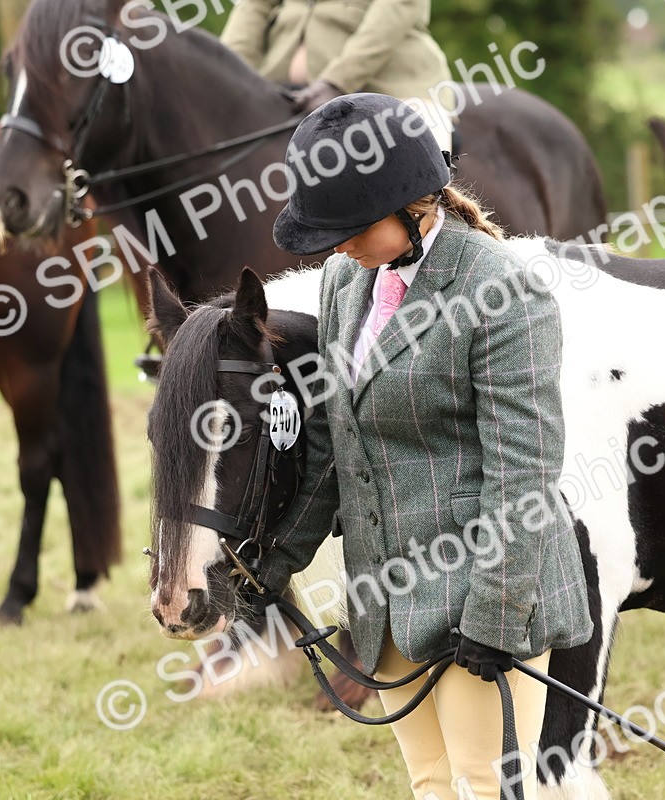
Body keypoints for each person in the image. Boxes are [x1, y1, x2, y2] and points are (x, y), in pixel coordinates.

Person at [262, 94, 592, 800]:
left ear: (413, 205)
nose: (333, 244)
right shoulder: (346, 281)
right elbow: (332, 445)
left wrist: (496, 617)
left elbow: (524, 476)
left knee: (486, 787)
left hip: (485, 592)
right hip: (386, 599)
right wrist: (273, 563)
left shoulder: (502, 292)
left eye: (347, 226)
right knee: (431, 786)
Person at [220, 0, 457, 151]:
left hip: (393, 85)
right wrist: (228, 75)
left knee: (423, 163)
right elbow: (253, 9)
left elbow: (397, 8)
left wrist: (337, 81)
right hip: (282, 91)